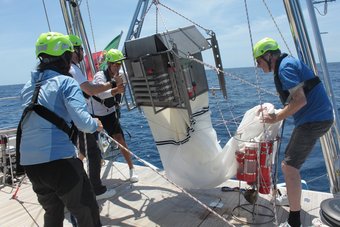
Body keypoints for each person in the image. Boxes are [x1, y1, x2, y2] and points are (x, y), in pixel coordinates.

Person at [18, 32, 103, 226]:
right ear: (65, 57)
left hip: (31, 166)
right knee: (87, 212)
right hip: (60, 163)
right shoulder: (66, 82)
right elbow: (82, 123)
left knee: (53, 213)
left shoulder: (27, 86)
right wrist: (95, 124)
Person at [253, 37, 334, 227]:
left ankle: (294, 221)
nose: (258, 66)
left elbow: (300, 101)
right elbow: (296, 99)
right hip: (317, 118)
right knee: (288, 165)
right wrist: (276, 113)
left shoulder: (285, 68)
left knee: (289, 168)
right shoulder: (287, 64)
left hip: (314, 120)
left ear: (268, 56)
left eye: (258, 61)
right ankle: (291, 199)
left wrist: (275, 117)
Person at [68, 34, 117, 200]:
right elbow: (91, 90)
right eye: (81, 49)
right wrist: (112, 84)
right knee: (93, 153)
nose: (83, 52)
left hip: (71, 118)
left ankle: (77, 185)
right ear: (75, 50)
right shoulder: (73, 69)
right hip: (77, 117)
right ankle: (96, 190)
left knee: (83, 151)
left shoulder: (68, 69)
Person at [90, 48, 138, 183]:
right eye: (115, 64)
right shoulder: (100, 76)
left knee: (120, 139)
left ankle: (131, 169)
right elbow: (99, 93)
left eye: (119, 64)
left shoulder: (121, 75)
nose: (117, 67)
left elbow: (134, 74)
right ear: (109, 64)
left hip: (110, 113)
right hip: (95, 114)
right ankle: (88, 174)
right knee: (90, 145)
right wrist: (116, 89)